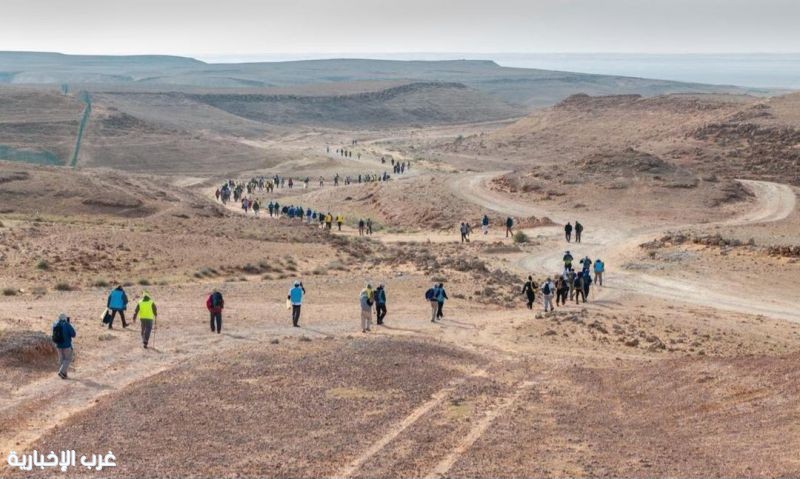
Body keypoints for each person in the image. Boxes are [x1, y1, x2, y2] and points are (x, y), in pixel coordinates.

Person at [52, 313, 76, 379]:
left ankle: (64, 374)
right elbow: (73, 334)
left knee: (62, 360)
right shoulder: (67, 324)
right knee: (68, 359)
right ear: (65, 318)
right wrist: (70, 325)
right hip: (66, 345)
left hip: (58, 346)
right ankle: (61, 372)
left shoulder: (55, 324)